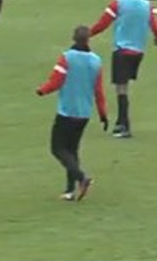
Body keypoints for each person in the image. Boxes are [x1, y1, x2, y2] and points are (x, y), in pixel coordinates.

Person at [35, 25, 107, 201]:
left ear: (74, 38)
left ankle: (82, 178)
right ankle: (69, 190)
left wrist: (41, 91)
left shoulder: (67, 58)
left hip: (67, 111)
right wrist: (103, 114)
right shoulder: (96, 61)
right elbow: (98, 91)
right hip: (84, 113)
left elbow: (56, 81)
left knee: (58, 148)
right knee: (72, 150)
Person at [89, 0, 157, 138]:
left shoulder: (118, 3)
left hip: (122, 51)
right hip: (138, 52)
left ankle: (124, 125)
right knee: (124, 86)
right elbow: (155, 26)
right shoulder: (146, 4)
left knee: (121, 88)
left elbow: (103, 24)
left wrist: (88, 34)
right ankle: (121, 123)